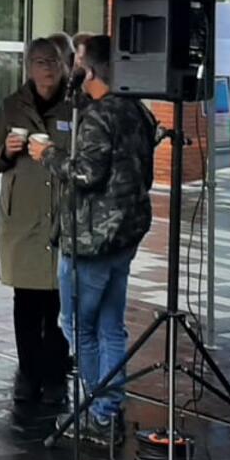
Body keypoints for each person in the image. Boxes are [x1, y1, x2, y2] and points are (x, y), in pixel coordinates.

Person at [29, 35, 157, 439]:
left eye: (78, 60)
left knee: (80, 327)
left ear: (92, 68)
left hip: (92, 238)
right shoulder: (135, 109)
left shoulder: (101, 116)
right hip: (126, 233)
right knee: (111, 325)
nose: (72, 65)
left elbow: (86, 174)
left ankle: (100, 411)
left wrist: (46, 155)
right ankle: (109, 406)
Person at [0, 37, 74, 406]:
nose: (45, 68)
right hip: (22, 219)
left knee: (57, 301)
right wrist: (5, 151)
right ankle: (28, 373)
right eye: (37, 62)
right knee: (26, 301)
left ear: (64, 64)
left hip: (63, 215)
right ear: (27, 68)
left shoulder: (75, 106)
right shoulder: (12, 106)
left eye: (51, 61)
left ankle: (54, 376)